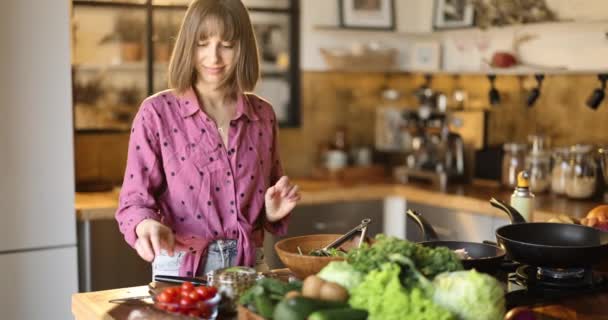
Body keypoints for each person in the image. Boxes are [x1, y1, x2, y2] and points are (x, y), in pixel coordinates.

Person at [115, 0, 300, 277]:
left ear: (243, 48)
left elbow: (261, 202)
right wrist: (146, 226)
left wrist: (271, 212)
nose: (213, 57)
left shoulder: (263, 115)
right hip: (181, 268)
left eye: (226, 44)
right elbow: (133, 202)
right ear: (188, 45)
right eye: (202, 43)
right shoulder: (157, 113)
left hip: (249, 266)